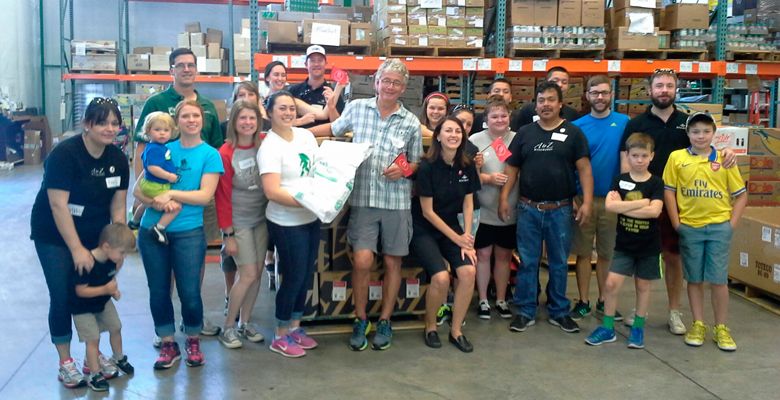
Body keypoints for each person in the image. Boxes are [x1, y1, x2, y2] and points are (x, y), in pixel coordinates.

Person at [619, 68, 736, 334]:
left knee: (673, 259)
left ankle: (674, 311)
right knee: (643, 258)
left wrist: (727, 151)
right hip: (644, 203)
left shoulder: (687, 123)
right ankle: (641, 310)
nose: (663, 90)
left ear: (676, 90)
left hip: (676, 203)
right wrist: (629, 198)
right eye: (658, 85)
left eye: (669, 86)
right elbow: (625, 164)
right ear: (649, 90)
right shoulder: (635, 124)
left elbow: (706, 146)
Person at [30, 97, 129, 388]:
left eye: (114, 123)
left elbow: (118, 206)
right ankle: (65, 362)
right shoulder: (65, 155)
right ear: (87, 124)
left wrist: (118, 245)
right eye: (102, 122)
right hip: (54, 234)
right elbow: (58, 205)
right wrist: (76, 249)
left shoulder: (117, 159)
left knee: (97, 292)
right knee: (63, 294)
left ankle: (92, 357)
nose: (110, 128)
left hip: (94, 232)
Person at [328, 59, 423, 351]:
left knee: (394, 261)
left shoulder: (410, 122)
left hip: (396, 202)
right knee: (362, 260)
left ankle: (385, 319)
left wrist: (404, 169)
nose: (391, 86)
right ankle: (360, 318)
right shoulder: (357, 109)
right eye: (387, 80)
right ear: (376, 82)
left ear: (403, 88)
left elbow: (417, 161)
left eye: (397, 83)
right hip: (363, 200)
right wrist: (298, 133)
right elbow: (332, 129)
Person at [134, 48, 224, 337]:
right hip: (157, 202)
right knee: (160, 283)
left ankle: (191, 322)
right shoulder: (157, 108)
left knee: (191, 276)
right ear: (171, 69)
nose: (186, 69)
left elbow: (213, 157)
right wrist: (147, 198)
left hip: (193, 212)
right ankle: (167, 332)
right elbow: (142, 156)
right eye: (180, 65)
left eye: (191, 65)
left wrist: (173, 196)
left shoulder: (208, 108)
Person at [499, 81, 593, 334]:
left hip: (561, 210)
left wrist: (586, 201)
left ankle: (559, 310)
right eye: (541, 100)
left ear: (560, 103)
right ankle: (526, 310)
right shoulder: (525, 133)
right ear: (535, 104)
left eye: (551, 100)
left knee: (559, 262)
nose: (546, 105)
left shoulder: (574, 134)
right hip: (528, 208)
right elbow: (512, 169)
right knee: (528, 261)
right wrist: (504, 198)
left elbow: (584, 169)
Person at [662, 113, 747, 352]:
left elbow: (741, 195)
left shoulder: (724, 159)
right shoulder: (677, 158)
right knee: (694, 279)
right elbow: (669, 191)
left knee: (719, 280)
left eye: (706, 131)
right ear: (688, 134)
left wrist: (731, 224)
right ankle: (698, 323)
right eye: (695, 131)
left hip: (719, 228)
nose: (700, 136)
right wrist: (677, 223)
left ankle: (721, 327)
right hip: (690, 228)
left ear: (714, 134)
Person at [584, 133, 664, 349]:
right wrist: (642, 204)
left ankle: (638, 327)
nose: (639, 160)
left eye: (643, 155)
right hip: (624, 245)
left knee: (643, 286)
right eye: (635, 155)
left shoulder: (656, 183)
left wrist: (626, 208)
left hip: (648, 246)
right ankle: (608, 327)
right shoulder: (620, 180)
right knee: (611, 285)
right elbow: (611, 207)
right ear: (627, 156)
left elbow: (655, 212)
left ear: (651, 156)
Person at [259, 91, 321, 358]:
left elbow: (319, 171)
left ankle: (296, 327)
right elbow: (272, 192)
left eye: (291, 108)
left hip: (311, 216)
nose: (287, 113)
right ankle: (281, 333)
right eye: (281, 108)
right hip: (286, 222)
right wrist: (305, 202)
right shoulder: (269, 147)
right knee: (293, 276)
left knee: (306, 275)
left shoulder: (306, 137)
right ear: (269, 113)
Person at [412, 117, 480, 352]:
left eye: (457, 131)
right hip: (424, 230)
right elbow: (427, 212)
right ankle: (430, 326)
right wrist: (457, 238)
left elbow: (469, 204)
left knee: (469, 271)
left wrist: (468, 238)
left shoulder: (467, 165)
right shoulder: (427, 166)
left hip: (454, 228)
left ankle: (456, 330)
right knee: (441, 278)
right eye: (447, 130)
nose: (453, 134)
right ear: (438, 136)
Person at [568, 75, 630, 321]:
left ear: (611, 94)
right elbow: (571, 165)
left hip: (612, 200)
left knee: (607, 253)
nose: (600, 97)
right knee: (583, 253)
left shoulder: (624, 123)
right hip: (584, 199)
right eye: (595, 93)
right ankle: (583, 300)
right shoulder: (578, 126)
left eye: (604, 92)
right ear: (587, 95)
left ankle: (605, 301)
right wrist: (575, 196)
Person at [215, 100, 269, 349]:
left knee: (257, 275)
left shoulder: (264, 145)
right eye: (242, 118)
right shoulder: (225, 153)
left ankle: (244, 323)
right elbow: (222, 197)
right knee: (246, 275)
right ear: (234, 122)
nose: (248, 123)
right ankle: (228, 327)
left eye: (252, 118)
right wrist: (229, 235)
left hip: (261, 219)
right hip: (239, 223)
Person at [72, 223, 136, 391]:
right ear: (106, 246)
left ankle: (118, 357)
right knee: (93, 339)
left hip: (103, 301)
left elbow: (109, 278)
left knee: (116, 327)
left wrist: (113, 291)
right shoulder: (87, 263)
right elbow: (80, 291)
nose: (124, 257)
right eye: (122, 252)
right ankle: (95, 374)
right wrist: (105, 290)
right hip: (83, 308)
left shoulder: (112, 260)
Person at [469, 96, 517, 320]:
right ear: (486, 119)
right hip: (484, 209)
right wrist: (486, 176)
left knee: (504, 254)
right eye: (494, 116)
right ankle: (483, 299)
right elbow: (467, 175)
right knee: (484, 253)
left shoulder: (518, 139)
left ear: (510, 117)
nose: (499, 119)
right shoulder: (475, 140)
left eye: (503, 115)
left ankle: (500, 299)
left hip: (509, 209)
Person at [128, 112, 180, 244]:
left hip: (152, 184)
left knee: (145, 204)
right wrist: (169, 176)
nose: (162, 133)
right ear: (148, 131)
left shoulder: (159, 147)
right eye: (157, 130)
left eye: (166, 130)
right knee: (176, 206)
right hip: (155, 185)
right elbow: (152, 168)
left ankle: (134, 221)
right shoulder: (154, 149)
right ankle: (159, 227)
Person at [287, 45, 346, 136]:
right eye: (312, 60)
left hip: (323, 145)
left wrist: (331, 107)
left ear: (326, 64)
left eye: (320, 60)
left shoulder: (332, 93)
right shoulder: (293, 92)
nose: (316, 64)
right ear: (306, 64)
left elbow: (338, 127)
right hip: (297, 143)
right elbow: (284, 121)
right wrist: (300, 121)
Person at [510, 67, 580, 132]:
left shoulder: (572, 114)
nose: (560, 85)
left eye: (564, 82)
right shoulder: (528, 110)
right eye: (555, 81)